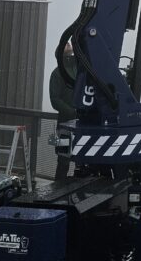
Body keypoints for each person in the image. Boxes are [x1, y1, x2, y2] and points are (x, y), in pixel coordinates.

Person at [49, 41, 77, 179]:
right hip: (64, 125)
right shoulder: (57, 73)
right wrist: (73, 112)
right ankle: (57, 189)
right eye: (65, 44)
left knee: (80, 161)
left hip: (77, 124)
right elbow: (55, 100)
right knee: (63, 161)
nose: (69, 43)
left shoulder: (79, 68)